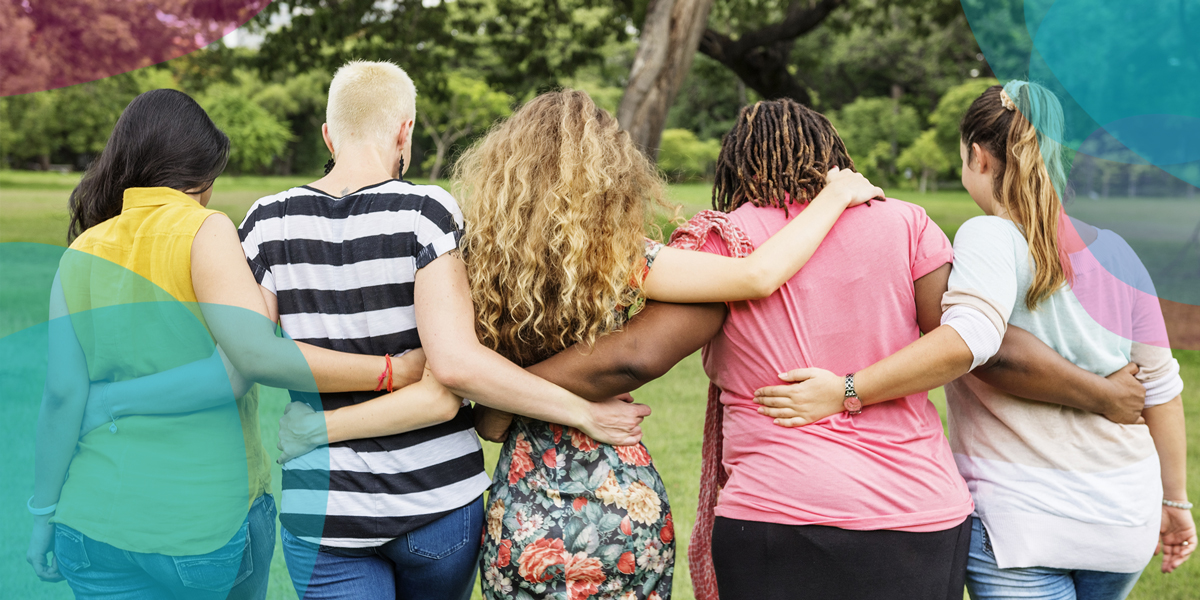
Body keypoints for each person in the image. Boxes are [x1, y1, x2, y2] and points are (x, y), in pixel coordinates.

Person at [473, 97, 1151, 600]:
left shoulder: (724, 236)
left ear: (736, 164)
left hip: (781, 514)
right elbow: (972, 340)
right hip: (920, 512)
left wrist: (498, 392)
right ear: (833, 155)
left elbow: (634, 358)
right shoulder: (906, 223)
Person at [277, 88, 885, 600]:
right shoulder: (622, 260)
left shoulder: (474, 264)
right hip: (621, 501)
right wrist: (832, 196)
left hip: (525, 509)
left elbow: (486, 421)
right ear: (611, 173)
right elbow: (755, 276)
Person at [755, 82, 1194, 599]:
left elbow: (970, 339)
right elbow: (1161, 390)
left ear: (979, 158)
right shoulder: (1118, 252)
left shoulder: (989, 236)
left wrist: (847, 389)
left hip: (1023, 524)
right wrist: (1176, 502)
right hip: (1124, 520)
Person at [234, 63, 649, 600]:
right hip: (435, 503)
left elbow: (254, 355)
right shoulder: (425, 212)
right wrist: (586, 413)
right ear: (404, 130)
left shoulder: (267, 222)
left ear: (328, 135)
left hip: (326, 510)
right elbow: (454, 366)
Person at [25, 88, 429, 600]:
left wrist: (43, 513)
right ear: (203, 176)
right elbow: (243, 365)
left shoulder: (80, 252)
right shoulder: (205, 230)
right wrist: (392, 371)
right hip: (200, 525)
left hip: (90, 525)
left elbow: (61, 398)